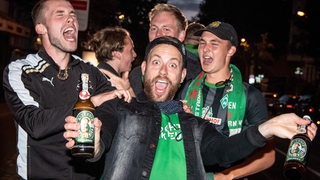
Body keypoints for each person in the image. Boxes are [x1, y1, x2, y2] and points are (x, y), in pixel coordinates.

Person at [64, 36, 317, 180]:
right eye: (156, 62)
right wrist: (93, 142)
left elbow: (222, 152)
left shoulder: (195, 124)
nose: (163, 72)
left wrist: (267, 127)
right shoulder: (121, 109)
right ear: (143, 69)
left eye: (173, 65)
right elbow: (100, 137)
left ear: (183, 75)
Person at [2, 0, 130, 179]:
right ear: (41, 28)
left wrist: (99, 145)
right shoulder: (22, 70)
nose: (71, 19)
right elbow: (34, 122)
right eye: (60, 14)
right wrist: (90, 103)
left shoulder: (89, 71)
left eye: (72, 14)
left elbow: (112, 108)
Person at [179, 21, 275, 179]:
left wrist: (227, 175)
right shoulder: (186, 88)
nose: (205, 49)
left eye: (214, 43)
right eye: (202, 43)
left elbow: (268, 156)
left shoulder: (249, 96)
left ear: (231, 50)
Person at [129, 3, 202, 95]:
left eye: (166, 29)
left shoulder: (199, 76)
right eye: (154, 28)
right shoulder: (136, 76)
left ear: (181, 35)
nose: (158, 34)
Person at [87, 26, 137, 96]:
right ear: (116, 53)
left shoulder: (96, 76)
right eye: (131, 50)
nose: (135, 55)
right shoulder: (105, 83)